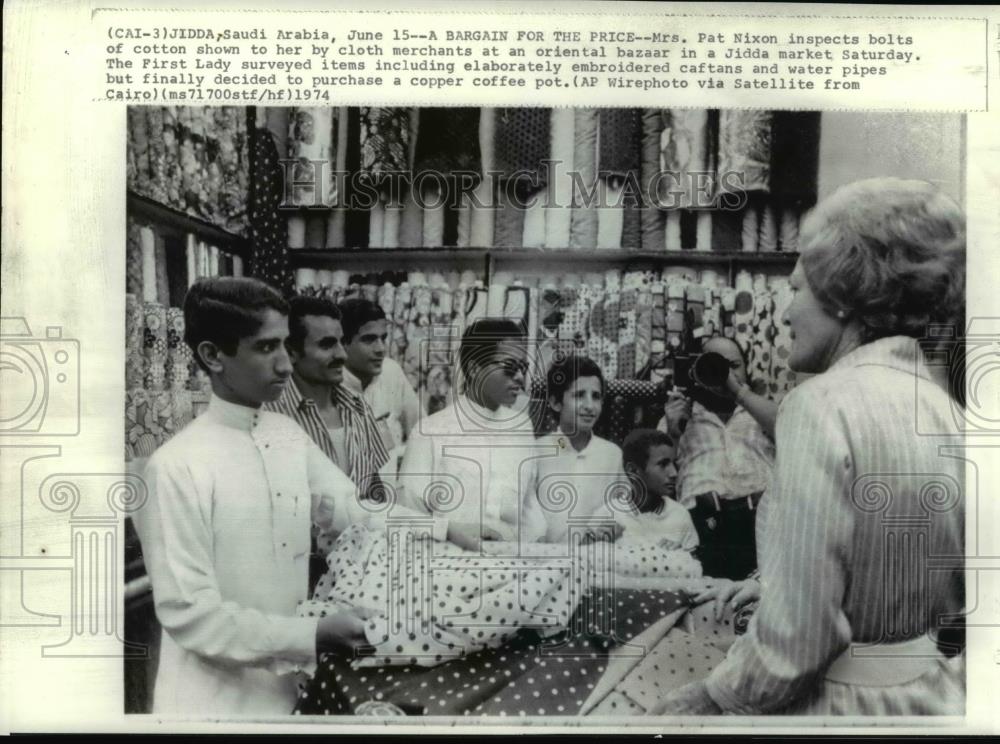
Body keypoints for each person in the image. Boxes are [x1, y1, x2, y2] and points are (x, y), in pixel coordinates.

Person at [653, 178, 966, 715]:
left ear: (843, 297)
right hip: (933, 697)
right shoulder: (943, 407)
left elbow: (796, 643)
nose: (782, 312)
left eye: (795, 289)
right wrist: (774, 584)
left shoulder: (819, 405)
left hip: (838, 706)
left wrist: (712, 696)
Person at [131, 278, 422, 715]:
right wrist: (312, 635)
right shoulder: (175, 466)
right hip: (212, 704)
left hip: (288, 692)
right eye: (266, 348)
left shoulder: (286, 435)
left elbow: (349, 508)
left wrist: (443, 529)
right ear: (213, 356)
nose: (286, 365)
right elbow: (192, 617)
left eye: (286, 345)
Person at [398, 318, 546, 546]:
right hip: (448, 567)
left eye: (522, 368)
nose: (519, 377)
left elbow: (529, 510)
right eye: (509, 367)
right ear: (475, 369)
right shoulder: (430, 432)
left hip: (513, 566)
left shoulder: (521, 426)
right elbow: (409, 516)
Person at [659, 335, 778, 579]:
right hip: (701, 525)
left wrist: (739, 393)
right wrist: (672, 432)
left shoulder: (762, 411)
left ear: (747, 370)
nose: (724, 374)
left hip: (763, 521)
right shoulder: (680, 415)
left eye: (733, 366)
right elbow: (657, 478)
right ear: (697, 371)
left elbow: (794, 430)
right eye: (715, 367)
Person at [534, 354, 628, 544]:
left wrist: (610, 525)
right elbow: (527, 512)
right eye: (578, 395)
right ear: (555, 403)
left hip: (596, 559)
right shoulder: (538, 451)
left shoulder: (611, 454)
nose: (589, 406)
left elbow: (623, 506)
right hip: (545, 558)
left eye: (596, 396)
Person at [338, 297, 423, 478]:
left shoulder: (391, 371)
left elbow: (421, 430)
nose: (381, 349)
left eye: (383, 338)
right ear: (343, 343)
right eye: (369, 340)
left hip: (390, 499)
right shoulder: (328, 383)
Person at [618, 429, 698, 552]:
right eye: (663, 464)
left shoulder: (679, 515)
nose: (674, 473)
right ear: (633, 471)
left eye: (674, 464)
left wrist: (682, 556)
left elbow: (695, 568)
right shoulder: (609, 515)